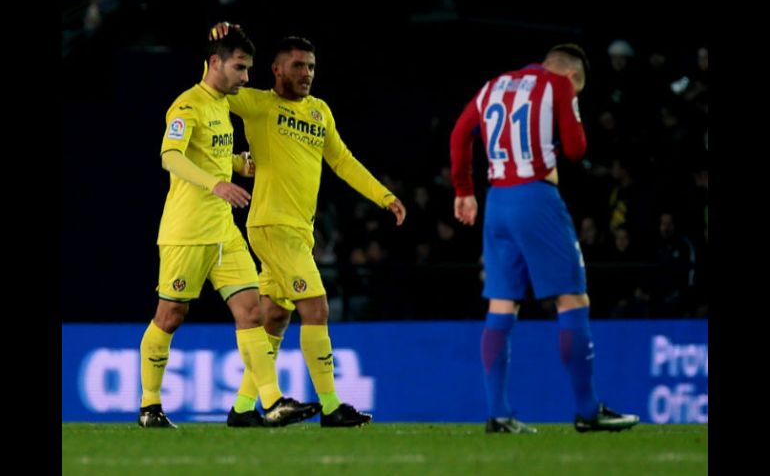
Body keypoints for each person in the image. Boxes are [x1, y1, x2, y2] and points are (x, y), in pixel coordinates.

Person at [210, 24, 407, 427]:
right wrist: (217, 46)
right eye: (298, 65)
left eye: (312, 67)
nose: (306, 73)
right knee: (315, 307)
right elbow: (214, 85)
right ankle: (332, 407)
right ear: (277, 70)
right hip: (271, 226)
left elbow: (343, 161)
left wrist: (383, 195)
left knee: (275, 319)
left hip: (299, 230)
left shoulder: (319, 112)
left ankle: (243, 408)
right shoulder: (257, 104)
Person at [450, 43, 640, 433]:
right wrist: (568, 113)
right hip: (536, 198)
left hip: (497, 202)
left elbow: (459, 133)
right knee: (572, 298)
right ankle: (588, 412)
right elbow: (576, 149)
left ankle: (498, 414)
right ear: (572, 76)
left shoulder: (494, 85)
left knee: (502, 306)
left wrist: (463, 189)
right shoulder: (560, 85)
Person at [139, 27, 320, 429]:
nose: (246, 77)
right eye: (240, 67)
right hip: (187, 230)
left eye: (249, 68)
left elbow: (213, 153)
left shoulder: (223, 104)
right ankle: (149, 405)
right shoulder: (187, 105)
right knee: (170, 316)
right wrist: (216, 183)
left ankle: (272, 402)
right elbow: (170, 156)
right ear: (215, 63)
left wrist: (238, 165)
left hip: (224, 230)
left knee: (251, 311)